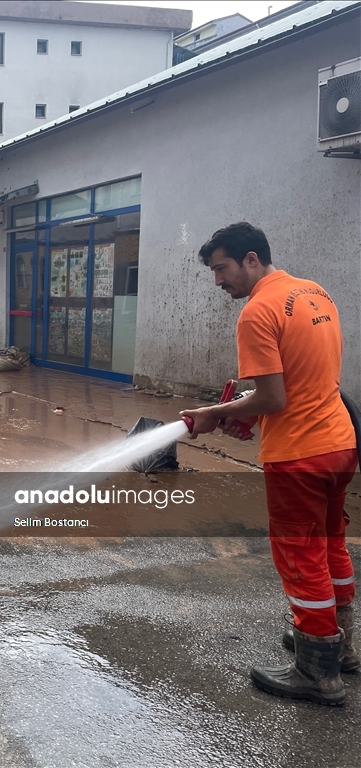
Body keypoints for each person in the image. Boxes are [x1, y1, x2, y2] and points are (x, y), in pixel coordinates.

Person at [179, 222, 357, 706]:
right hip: (340, 442)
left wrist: (214, 413)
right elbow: (306, 380)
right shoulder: (314, 292)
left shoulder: (257, 311)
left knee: (301, 557)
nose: (218, 282)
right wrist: (248, 407)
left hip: (299, 452)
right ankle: (340, 646)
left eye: (222, 269)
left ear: (251, 258)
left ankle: (316, 669)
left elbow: (275, 397)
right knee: (330, 543)